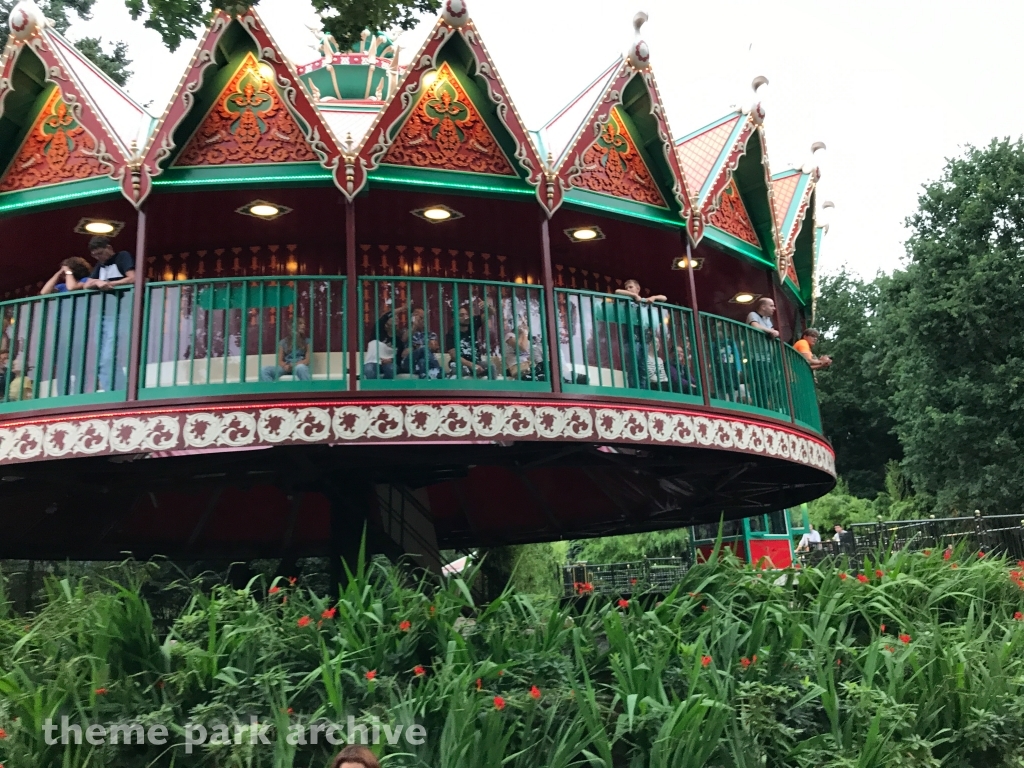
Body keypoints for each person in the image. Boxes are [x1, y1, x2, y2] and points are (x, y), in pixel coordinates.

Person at [85, 237, 135, 392]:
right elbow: (87, 284)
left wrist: (110, 284)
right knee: (101, 358)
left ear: (109, 247)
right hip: (104, 314)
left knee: (108, 354)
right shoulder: (100, 266)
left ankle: (118, 391)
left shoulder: (122, 256)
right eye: (95, 256)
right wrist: (97, 283)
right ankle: (114, 389)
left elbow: (133, 277)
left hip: (121, 312)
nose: (99, 258)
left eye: (100, 253)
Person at [613, 279, 665, 390]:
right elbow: (617, 291)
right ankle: (634, 390)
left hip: (644, 339)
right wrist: (633, 296)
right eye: (627, 288)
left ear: (638, 288)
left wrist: (653, 298)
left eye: (631, 287)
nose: (628, 289)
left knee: (643, 366)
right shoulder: (626, 301)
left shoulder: (644, 302)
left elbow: (664, 298)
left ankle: (643, 390)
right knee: (633, 365)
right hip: (631, 339)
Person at [445, 299, 495, 380]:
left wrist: (488, 306)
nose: (465, 317)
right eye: (461, 315)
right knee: (457, 373)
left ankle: (493, 392)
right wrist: (471, 365)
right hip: (460, 364)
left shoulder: (473, 323)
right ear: (454, 319)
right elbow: (454, 357)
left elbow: (491, 313)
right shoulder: (451, 334)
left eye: (466, 314)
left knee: (490, 367)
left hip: (477, 363)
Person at [399, 307, 441, 379]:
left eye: (421, 317)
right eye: (416, 316)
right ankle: (438, 370)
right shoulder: (405, 331)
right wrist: (414, 325)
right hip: (408, 363)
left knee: (422, 361)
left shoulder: (431, 334)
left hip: (424, 362)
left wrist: (414, 347)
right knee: (424, 348)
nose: (419, 320)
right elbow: (404, 339)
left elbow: (433, 347)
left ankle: (425, 380)